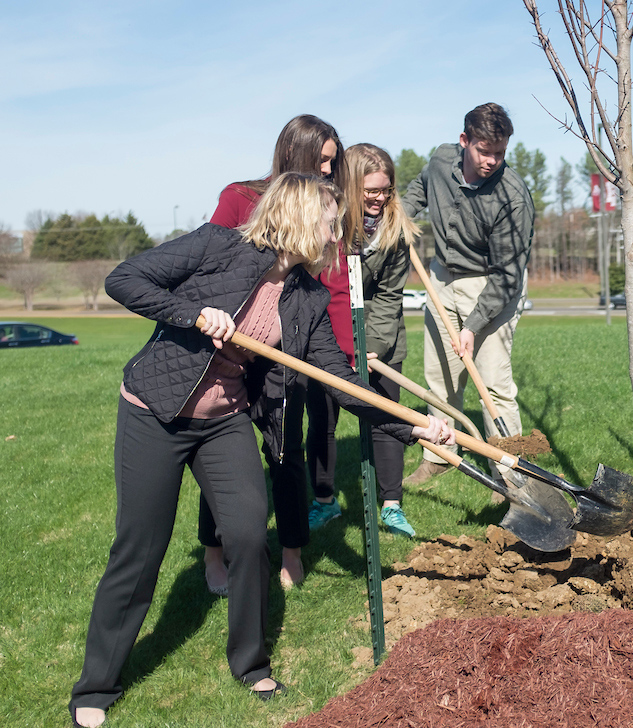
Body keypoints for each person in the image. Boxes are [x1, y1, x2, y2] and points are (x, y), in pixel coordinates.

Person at [69, 173, 452, 728]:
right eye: (328, 219)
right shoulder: (216, 247)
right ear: (297, 216)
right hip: (155, 411)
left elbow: (341, 381)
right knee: (140, 547)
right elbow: (123, 279)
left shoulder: (308, 295)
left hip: (223, 421)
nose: (335, 232)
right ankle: (96, 686)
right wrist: (194, 314)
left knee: (249, 531)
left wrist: (412, 426)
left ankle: (250, 663)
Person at [203, 114, 350, 591]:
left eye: (333, 163)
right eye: (322, 161)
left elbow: (330, 283)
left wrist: (337, 350)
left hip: (285, 353)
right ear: (294, 154)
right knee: (222, 448)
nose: (329, 172)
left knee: (286, 450)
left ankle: (291, 552)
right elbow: (210, 267)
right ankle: (215, 554)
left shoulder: (325, 208)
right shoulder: (240, 198)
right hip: (230, 348)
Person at [400, 103, 534, 486]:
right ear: (464, 141)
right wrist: (402, 217)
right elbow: (420, 188)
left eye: (500, 152)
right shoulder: (442, 160)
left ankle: (510, 474)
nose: (492, 160)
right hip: (441, 277)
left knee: (492, 383)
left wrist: (473, 325)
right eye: (484, 150)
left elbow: (509, 274)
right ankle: (439, 455)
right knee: (441, 377)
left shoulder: (513, 198)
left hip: (491, 284)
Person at [306, 143, 421, 537]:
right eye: (371, 190)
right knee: (322, 419)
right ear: (352, 186)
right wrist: (341, 347)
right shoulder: (329, 225)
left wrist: (373, 345)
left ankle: (391, 505)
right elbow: (319, 286)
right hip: (326, 335)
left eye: (386, 190)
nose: (379, 198)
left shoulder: (395, 231)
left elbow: (390, 296)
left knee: (387, 415)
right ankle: (324, 501)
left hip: (381, 337)